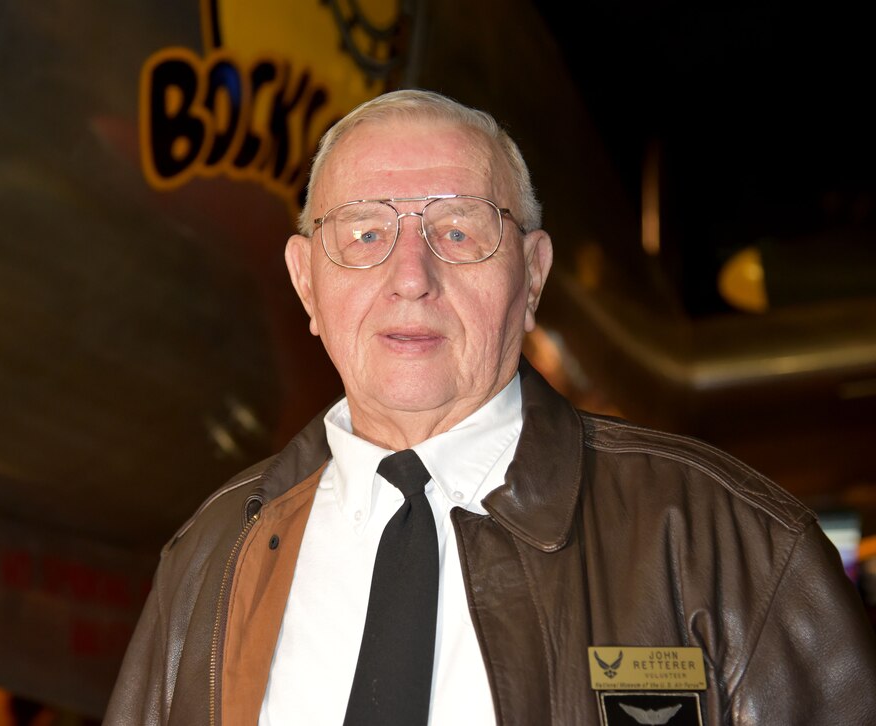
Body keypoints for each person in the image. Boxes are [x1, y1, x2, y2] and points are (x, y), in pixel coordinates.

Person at [103, 89, 876, 725]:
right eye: (365, 233)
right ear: (307, 283)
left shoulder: (737, 548)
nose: (412, 277)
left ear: (532, 276)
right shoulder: (207, 560)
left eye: (458, 231)